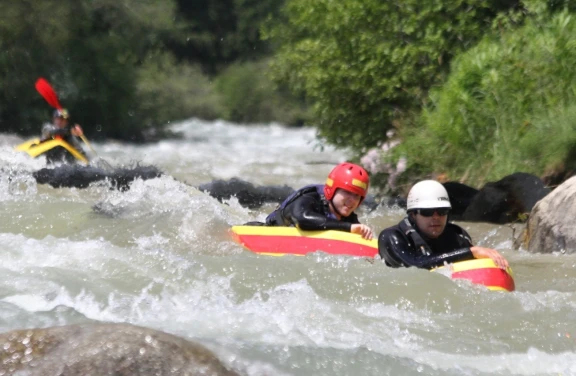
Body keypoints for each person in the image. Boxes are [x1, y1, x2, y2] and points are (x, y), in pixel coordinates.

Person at [378, 180, 509, 269]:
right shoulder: (391, 237)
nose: (436, 217)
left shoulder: (457, 236)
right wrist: (470, 252)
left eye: (442, 211)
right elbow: (414, 266)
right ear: (413, 214)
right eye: (427, 212)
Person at [264, 162, 373, 239]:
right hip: (269, 231)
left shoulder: (350, 219)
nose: (352, 200)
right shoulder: (310, 198)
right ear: (332, 190)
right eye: (347, 192)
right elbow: (302, 219)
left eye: (357, 196)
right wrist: (348, 228)